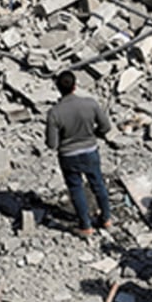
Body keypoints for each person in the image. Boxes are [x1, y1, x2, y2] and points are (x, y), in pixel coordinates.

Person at [45, 70, 111, 234]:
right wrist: (93, 134)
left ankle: (86, 225)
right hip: (90, 150)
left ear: (58, 88)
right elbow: (106, 127)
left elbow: (52, 144)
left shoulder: (54, 112)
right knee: (98, 184)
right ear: (75, 86)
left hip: (68, 156)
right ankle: (106, 219)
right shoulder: (90, 103)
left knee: (76, 189)